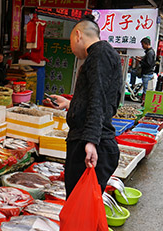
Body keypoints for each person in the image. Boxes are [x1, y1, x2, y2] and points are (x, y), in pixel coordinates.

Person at [49, 15, 122, 198]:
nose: (72, 48)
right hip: (90, 140)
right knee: (81, 205)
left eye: (71, 42)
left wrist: (90, 141)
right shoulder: (102, 54)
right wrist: (70, 104)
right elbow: (96, 97)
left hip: (90, 144)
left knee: (80, 206)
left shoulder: (100, 54)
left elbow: (98, 99)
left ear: (78, 35)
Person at [136, 37, 156, 105]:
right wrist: (141, 58)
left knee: (145, 90)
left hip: (147, 73)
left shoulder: (150, 52)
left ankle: (144, 104)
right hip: (148, 73)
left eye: (143, 45)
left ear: (147, 44)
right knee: (146, 89)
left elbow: (148, 64)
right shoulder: (150, 52)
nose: (142, 46)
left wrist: (140, 61)